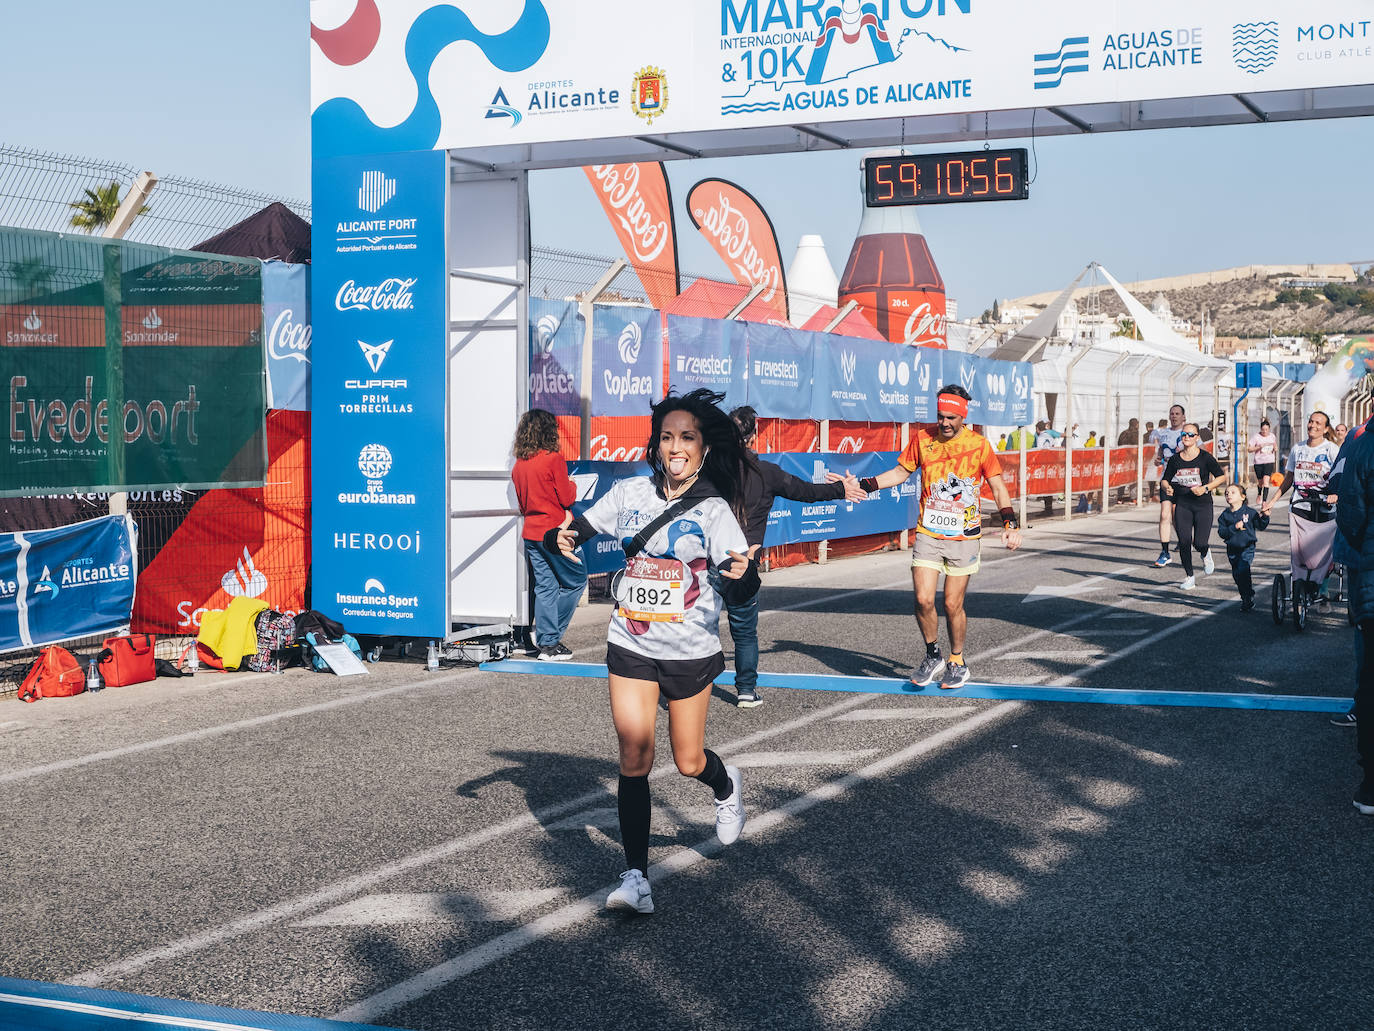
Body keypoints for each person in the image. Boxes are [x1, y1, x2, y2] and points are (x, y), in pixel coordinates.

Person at [551, 389, 757, 912]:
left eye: (687, 437)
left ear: (704, 448)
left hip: (690, 649)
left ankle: (725, 783)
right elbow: (584, 523)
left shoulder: (713, 511)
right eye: (667, 437)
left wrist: (743, 574)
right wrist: (568, 535)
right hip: (631, 641)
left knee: (688, 761)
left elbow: (741, 583)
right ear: (656, 445)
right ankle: (636, 878)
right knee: (634, 756)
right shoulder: (630, 493)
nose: (676, 446)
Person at [855, 384, 1022, 688]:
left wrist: (1010, 522)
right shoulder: (922, 439)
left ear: (963, 417)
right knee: (922, 599)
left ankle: (957, 660)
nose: (944, 423)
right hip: (929, 532)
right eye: (940, 416)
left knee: (952, 605)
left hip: (964, 536)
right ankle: (933, 654)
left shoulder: (979, 445)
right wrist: (864, 486)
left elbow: (997, 486)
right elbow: (899, 474)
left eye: (950, 418)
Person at [721, 406, 866, 708]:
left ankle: (682, 689)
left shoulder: (710, 471)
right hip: (745, 561)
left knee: (698, 625)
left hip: (709, 559)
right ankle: (746, 690)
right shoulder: (768, 473)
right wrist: (842, 489)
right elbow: (807, 492)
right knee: (745, 632)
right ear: (755, 435)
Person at [511, 409, 586, 660]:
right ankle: (549, 639)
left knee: (545, 587)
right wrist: (573, 485)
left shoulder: (519, 465)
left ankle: (548, 645)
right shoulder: (553, 459)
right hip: (556, 533)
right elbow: (567, 498)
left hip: (531, 533)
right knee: (576, 581)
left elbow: (522, 506)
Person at [1332, 425, 1374, 814]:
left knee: (1370, 679)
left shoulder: (1361, 448)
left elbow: (1349, 515)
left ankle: (1371, 785)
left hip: (1370, 582)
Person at [1161, 421, 1225, 590]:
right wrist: (1167, 487)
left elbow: (1221, 477)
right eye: (1184, 434)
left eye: (1190, 434)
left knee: (1199, 542)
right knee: (1184, 541)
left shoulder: (1205, 457)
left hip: (1203, 504)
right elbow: (1165, 479)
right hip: (1183, 504)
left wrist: (1205, 488)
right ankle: (1189, 576)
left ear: (1197, 437)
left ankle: (1205, 552)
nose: (1186, 437)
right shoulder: (1175, 459)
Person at [1216, 483, 1269, 611]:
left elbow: (1261, 526)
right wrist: (1234, 528)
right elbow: (1222, 533)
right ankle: (1245, 596)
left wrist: (1265, 516)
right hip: (1232, 549)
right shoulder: (1225, 515)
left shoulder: (1250, 512)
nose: (1229, 494)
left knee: (1243, 569)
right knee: (1237, 575)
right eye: (1227, 493)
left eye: (1233, 492)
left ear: (1242, 497)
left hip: (1247, 547)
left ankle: (1248, 596)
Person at [1153, 404, 1187, 567]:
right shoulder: (1164, 433)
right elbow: (1160, 451)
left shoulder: (1188, 433)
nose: (1174, 416)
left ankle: (1184, 539)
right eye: (1171, 413)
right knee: (1165, 514)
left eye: (1177, 413)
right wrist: (1158, 458)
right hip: (1167, 480)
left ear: (1183, 417)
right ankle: (1165, 552)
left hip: (1184, 480)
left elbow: (1201, 451)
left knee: (1176, 515)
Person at [1248, 419, 1279, 504]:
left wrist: (1275, 448)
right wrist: (1259, 446)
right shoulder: (1256, 437)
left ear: (1269, 429)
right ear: (1260, 429)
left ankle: (1264, 502)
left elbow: (1275, 445)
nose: (1265, 431)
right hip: (1258, 462)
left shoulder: (1272, 436)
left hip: (1269, 461)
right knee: (1260, 482)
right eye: (1263, 430)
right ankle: (1259, 494)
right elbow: (1249, 449)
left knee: (1266, 482)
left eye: (1267, 430)